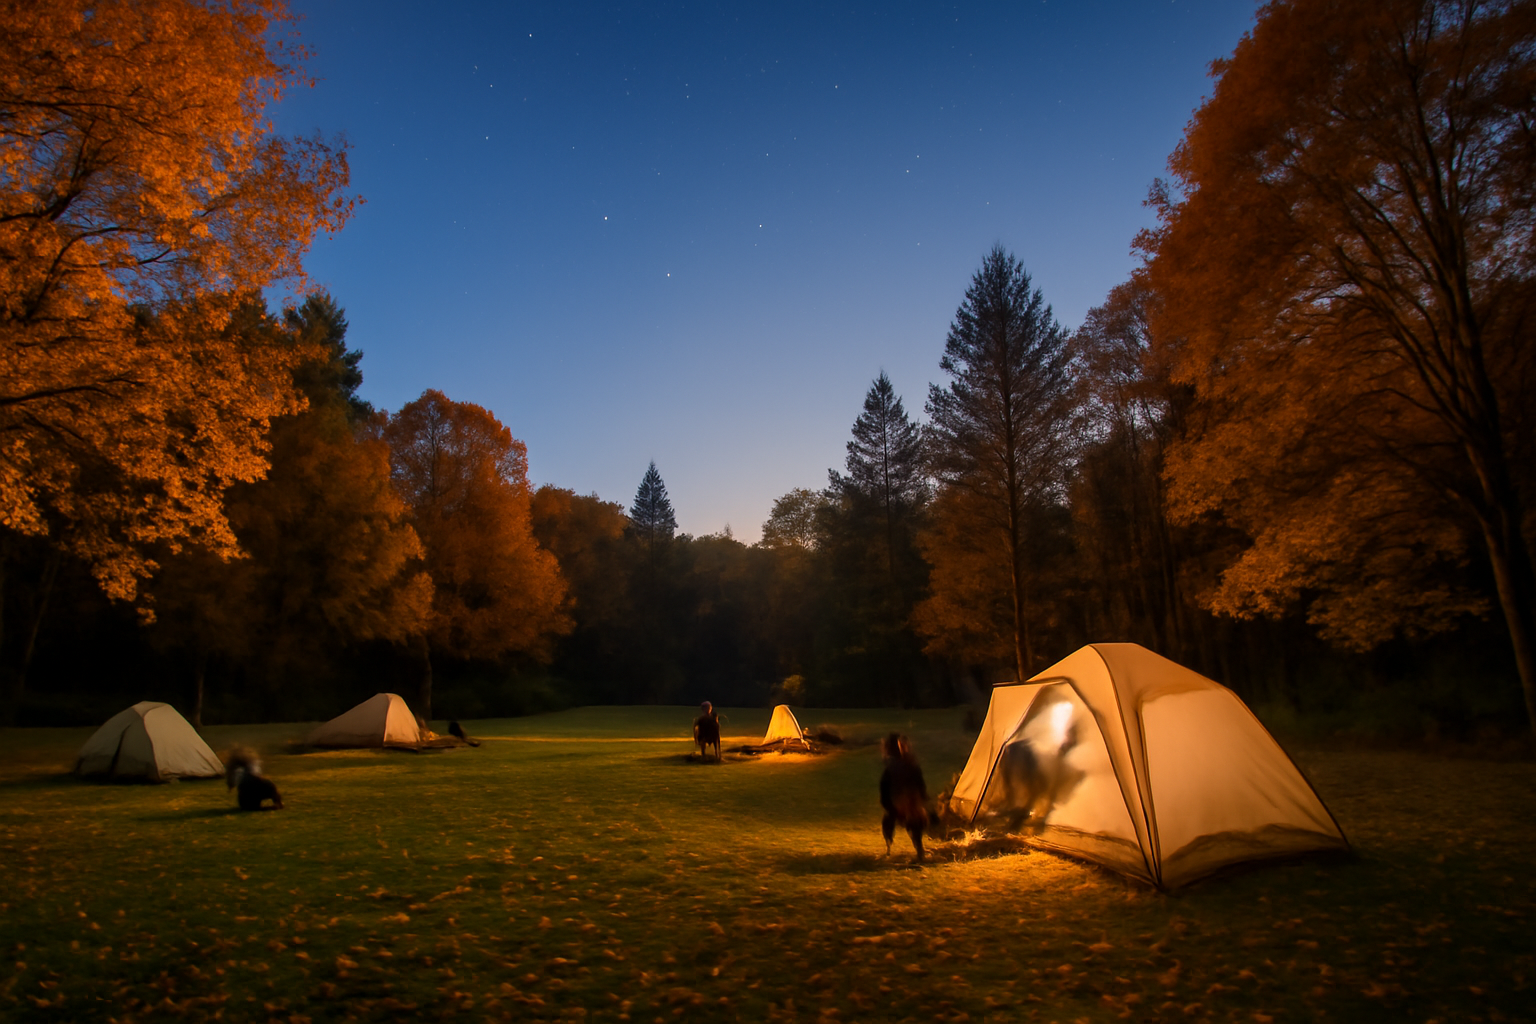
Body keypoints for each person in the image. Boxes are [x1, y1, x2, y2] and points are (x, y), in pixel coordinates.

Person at [879, 732, 928, 860]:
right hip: (903, 803)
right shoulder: (902, 766)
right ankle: (915, 850)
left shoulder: (900, 767)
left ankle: (918, 850)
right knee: (907, 822)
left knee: (912, 822)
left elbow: (919, 785)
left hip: (907, 803)